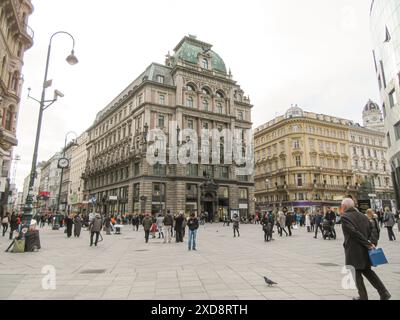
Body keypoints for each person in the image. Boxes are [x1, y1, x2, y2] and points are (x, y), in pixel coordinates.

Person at [340, 198, 391, 300]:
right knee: (368, 271)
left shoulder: (345, 217)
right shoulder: (363, 216)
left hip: (353, 250)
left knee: (356, 274)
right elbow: (372, 230)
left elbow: (353, 232)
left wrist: (368, 244)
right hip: (364, 250)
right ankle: (384, 292)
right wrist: (371, 242)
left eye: (342, 206)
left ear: (344, 206)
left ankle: (363, 297)